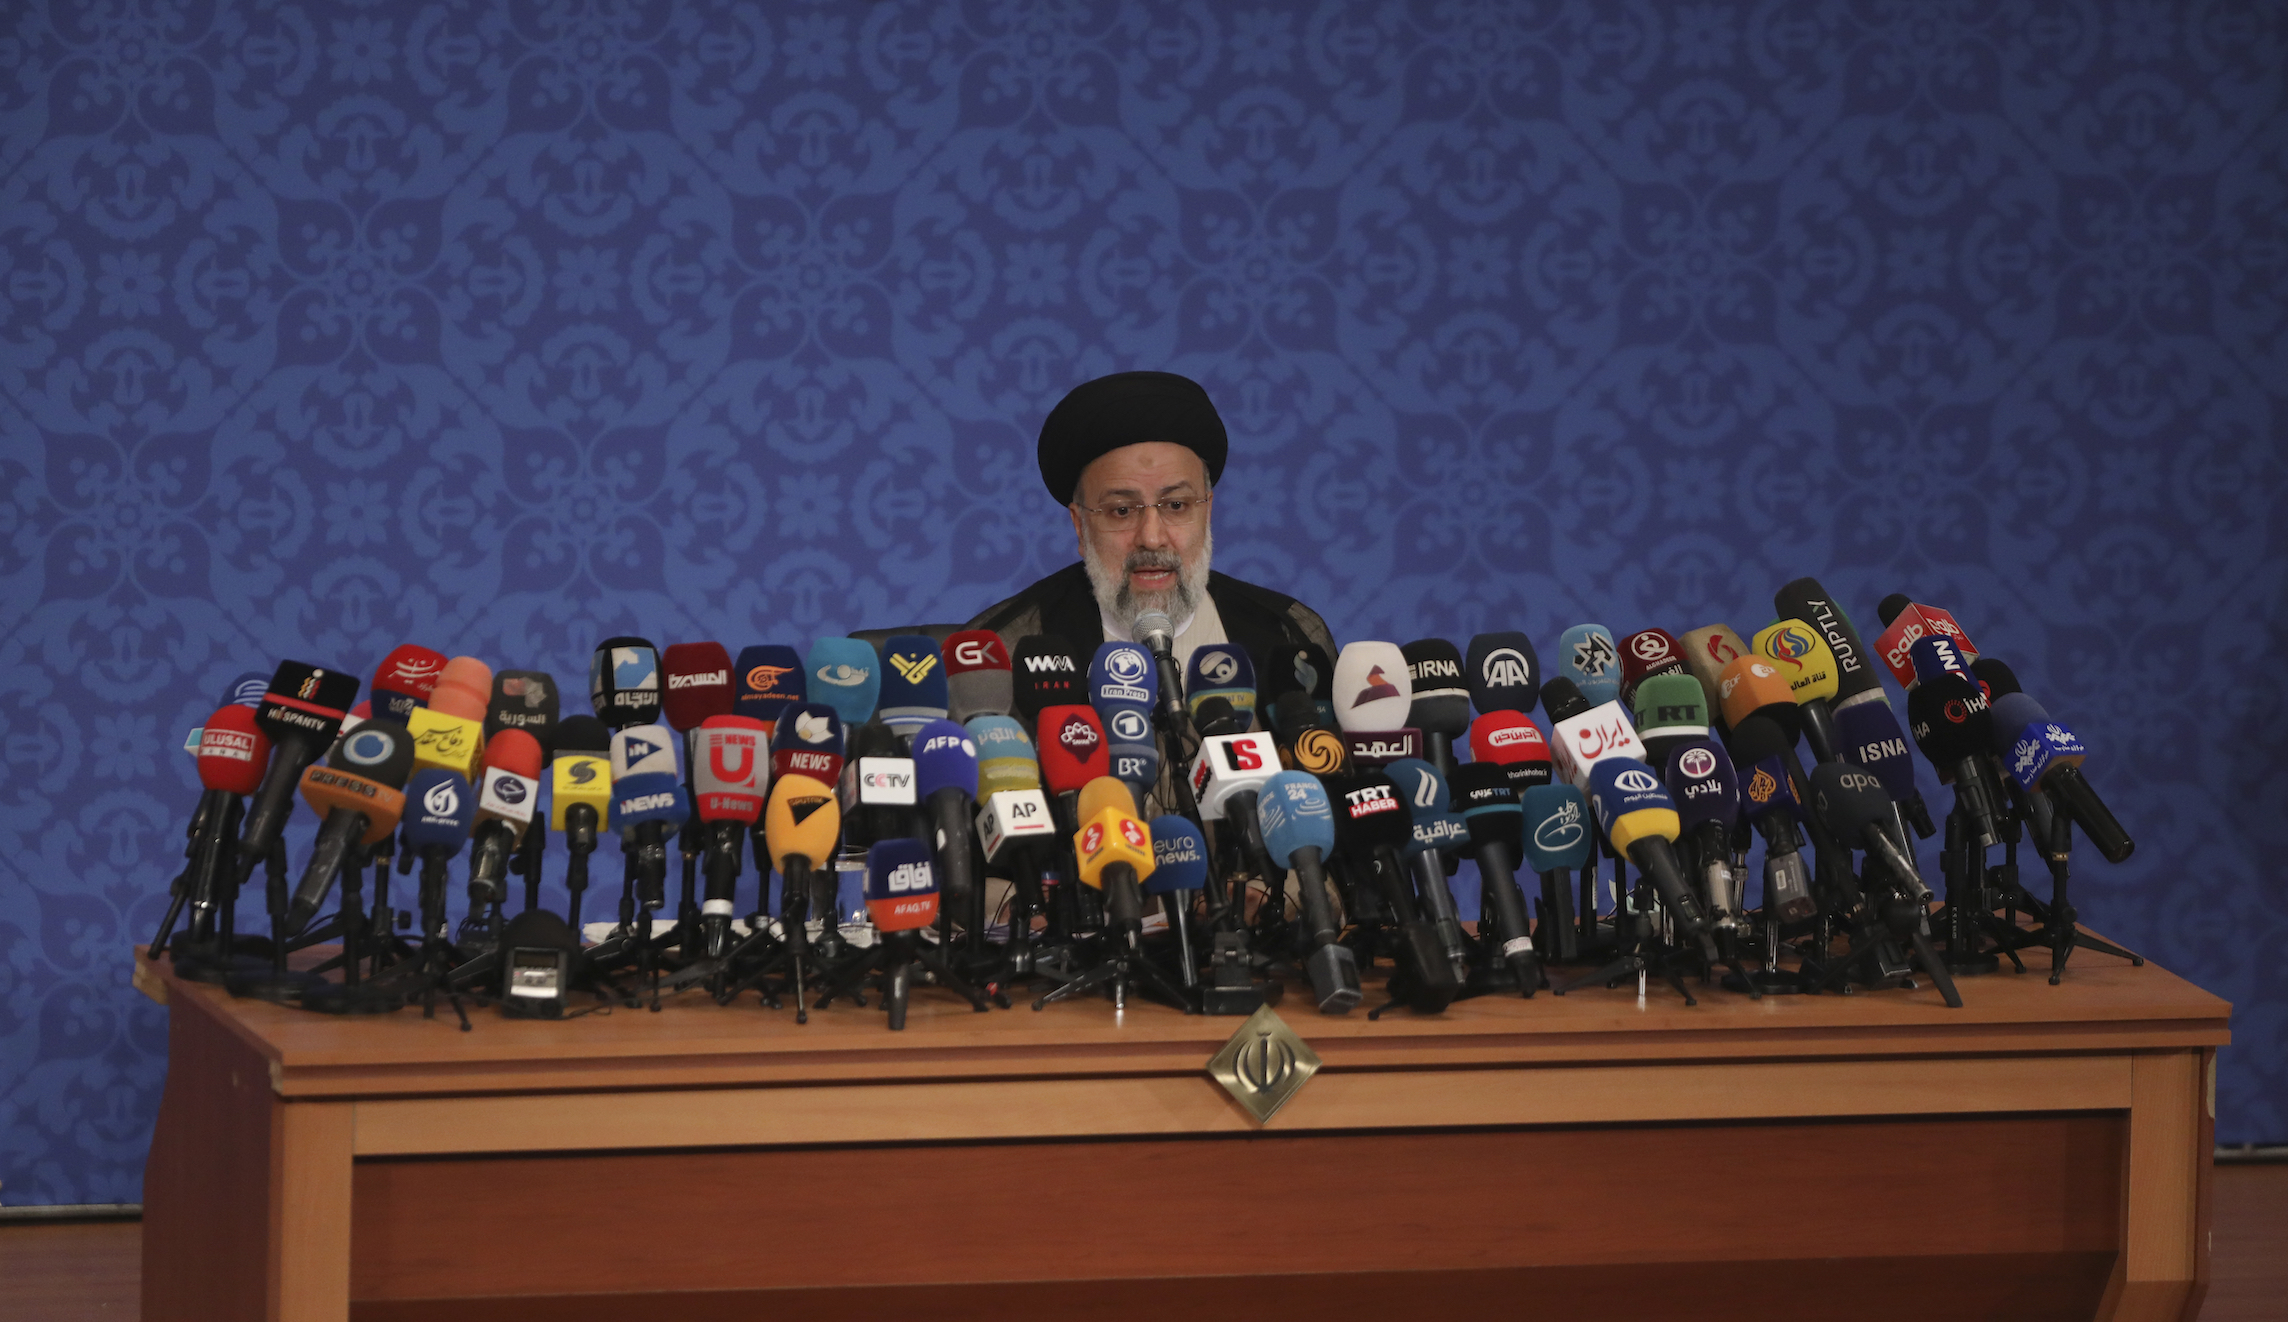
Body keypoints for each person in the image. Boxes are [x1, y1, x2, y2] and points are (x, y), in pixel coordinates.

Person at [965, 371, 1337, 675]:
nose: (1152, 538)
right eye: (1122, 511)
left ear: (1207, 512)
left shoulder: (1286, 635)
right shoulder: (1002, 650)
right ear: (1080, 526)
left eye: (1176, 505)